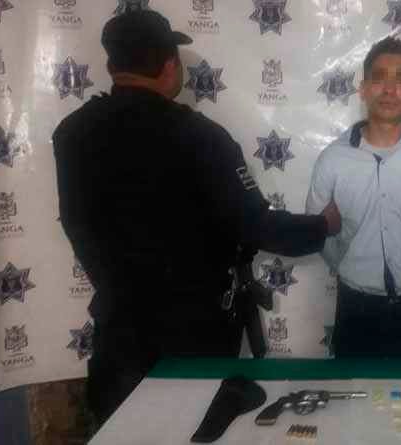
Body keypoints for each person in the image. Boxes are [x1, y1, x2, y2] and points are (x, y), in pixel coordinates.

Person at [53, 10, 340, 425]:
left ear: (112, 66)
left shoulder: (71, 133)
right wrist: (323, 225)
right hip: (193, 339)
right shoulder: (200, 136)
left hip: (119, 335)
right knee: (191, 429)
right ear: (171, 65)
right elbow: (257, 227)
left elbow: (75, 223)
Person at [306, 37, 401, 359]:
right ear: (363, 89)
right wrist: (347, 267)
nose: (389, 90)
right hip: (355, 307)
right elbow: (318, 233)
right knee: (353, 390)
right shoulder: (333, 159)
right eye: (379, 79)